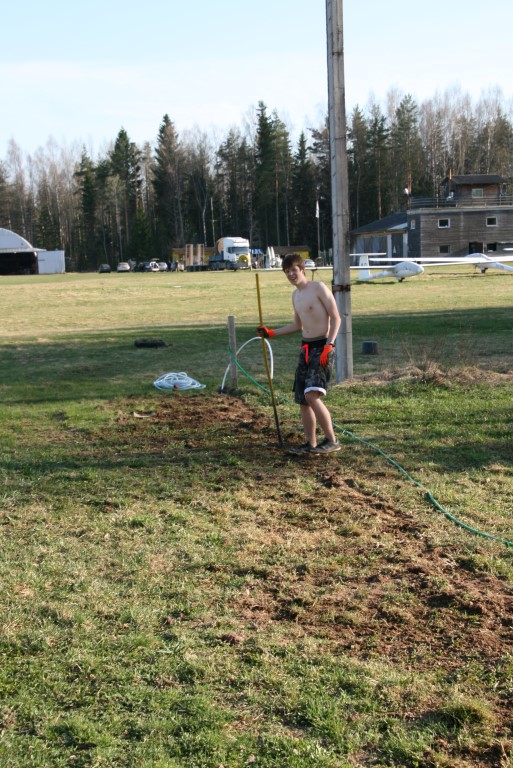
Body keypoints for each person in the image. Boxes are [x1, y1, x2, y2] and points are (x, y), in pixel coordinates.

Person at [257, 253, 342, 454]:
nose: (291, 275)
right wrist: (271, 333)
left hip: (322, 346)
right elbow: (298, 325)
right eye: (287, 272)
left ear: (302, 269)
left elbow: (336, 318)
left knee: (312, 395)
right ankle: (310, 444)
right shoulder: (295, 296)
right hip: (306, 348)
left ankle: (332, 440)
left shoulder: (318, 288)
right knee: (303, 400)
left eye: (294, 270)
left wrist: (329, 345)